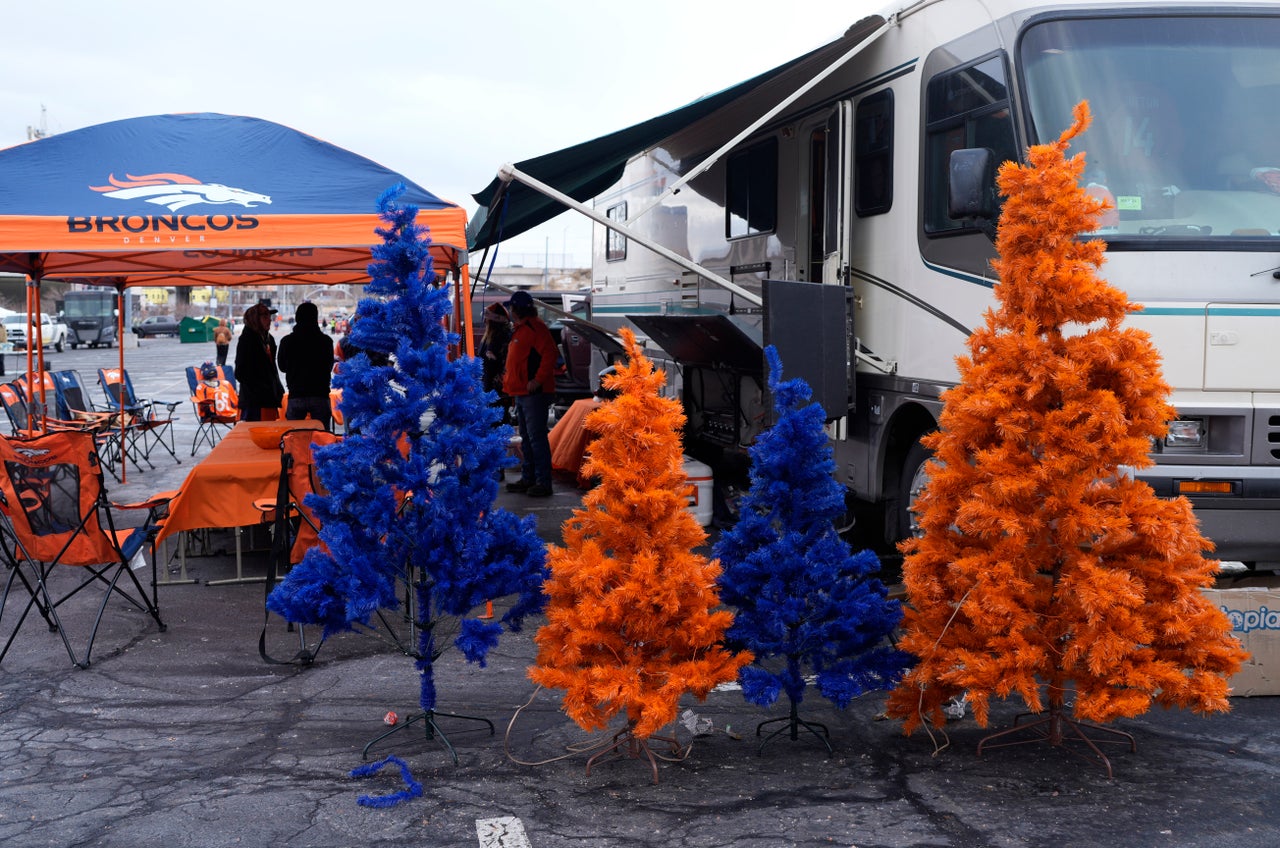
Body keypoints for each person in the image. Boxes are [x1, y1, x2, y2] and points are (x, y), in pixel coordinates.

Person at [502, 290, 558, 497]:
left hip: (535, 393)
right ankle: (529, 478)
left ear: (517, 309)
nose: (509, 310)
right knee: (527, 438)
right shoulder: (521, 329)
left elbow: (550, 354)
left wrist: (537, 380)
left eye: (511, 307)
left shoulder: (535, 328)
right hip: (523, 392)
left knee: (536, 438)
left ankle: (543, 482)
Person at [276, 301, 335, 431]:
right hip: (320, 394)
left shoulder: (287, 341)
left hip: (296, 395)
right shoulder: (326, 341)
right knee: (323, 436)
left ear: (297, 318)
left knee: (293, 436)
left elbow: (282, 367)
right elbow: (329, 366)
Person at [234, 300, 284, 421]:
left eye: (269, 315)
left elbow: (272, 369)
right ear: (255, 319)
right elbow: (240, 373)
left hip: (269, 399)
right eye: (265, 316)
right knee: (258, 436)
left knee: (270, 435)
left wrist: (276, 389)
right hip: (254, 403)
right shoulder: (247, 340)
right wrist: (261, 388)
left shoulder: (268, 339)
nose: (270, 319)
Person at [479, 302, 512, 423]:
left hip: (497, 387)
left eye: (487, 319)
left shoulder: (501, 337)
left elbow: (496, 364)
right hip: (490, 385)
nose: (484, 321)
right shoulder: (492, 337)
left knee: (497, 419)